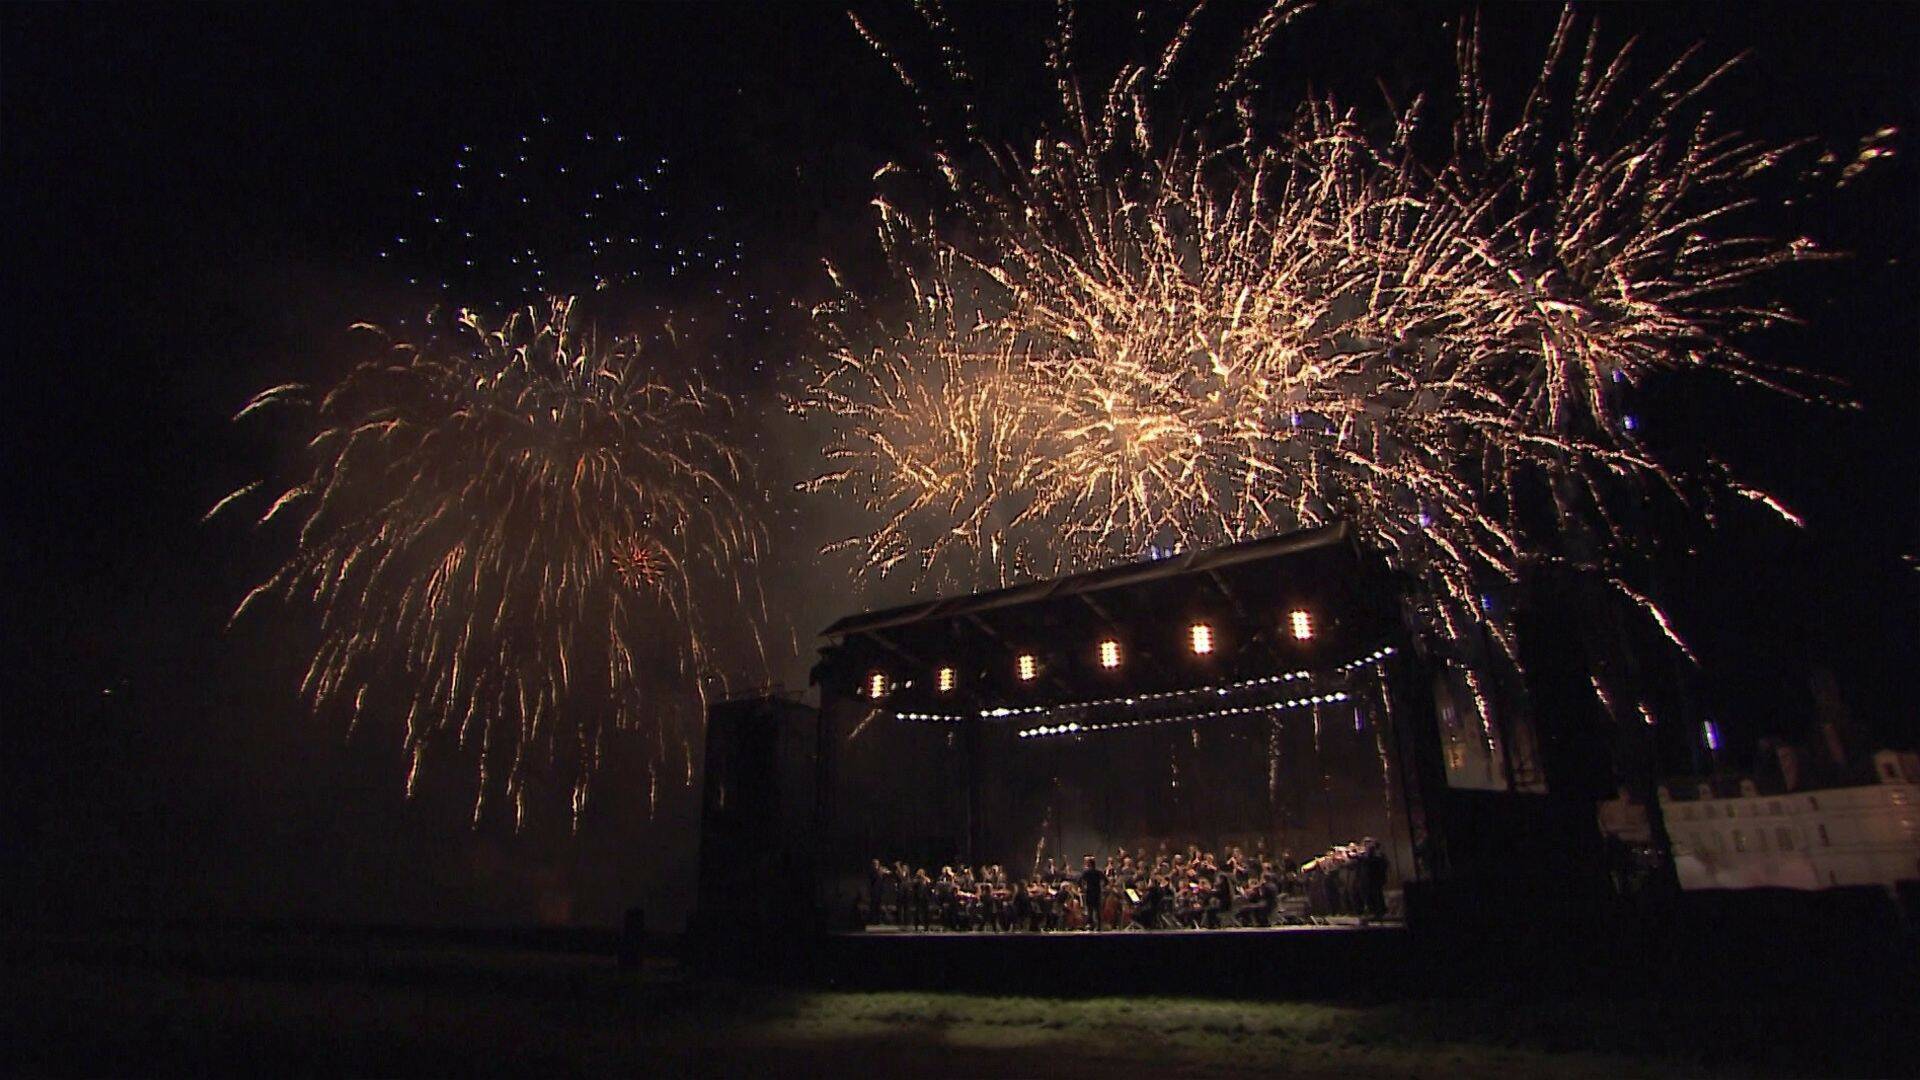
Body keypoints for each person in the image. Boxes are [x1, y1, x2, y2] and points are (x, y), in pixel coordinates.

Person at [1079, 855, 1107, 931]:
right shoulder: (1099, 872)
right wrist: (1102, 886)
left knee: (1090, 910)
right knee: (1097, 910)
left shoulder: (1086, 872)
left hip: (1089, 892)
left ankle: (1091, 925)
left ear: (1089, 864)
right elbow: (1106, 880)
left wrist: (1082, 888)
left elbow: (1079, 880)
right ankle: (1099, 926)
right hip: (1097, 892)